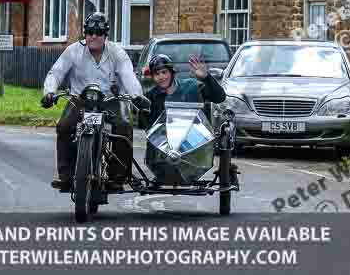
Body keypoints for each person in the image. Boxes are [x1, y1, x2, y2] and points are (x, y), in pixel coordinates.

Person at [40, 12, 145, 192]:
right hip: (79, 99)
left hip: (110, 99)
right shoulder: (73, 50)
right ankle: (65, 176)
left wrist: (136, 95)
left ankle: (117, 178)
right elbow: (56, 73)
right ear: (85, 34)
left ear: (106, 35)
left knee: (124, 125)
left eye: (98, 32)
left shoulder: (117, 52)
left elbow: (128, 76)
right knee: (64, 126)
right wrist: (49, 92)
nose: (94, 36)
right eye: (89, 32)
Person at [145, 54, 226, 127]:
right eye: (157, 74)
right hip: (165, 139)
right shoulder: (151, 96)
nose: (161, 77)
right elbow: (148, 127)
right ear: (153, 77)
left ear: (172, 72)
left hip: (195, 137)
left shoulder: (192, 86)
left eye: (164, 72)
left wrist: (206, 77)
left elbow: (220, 97)